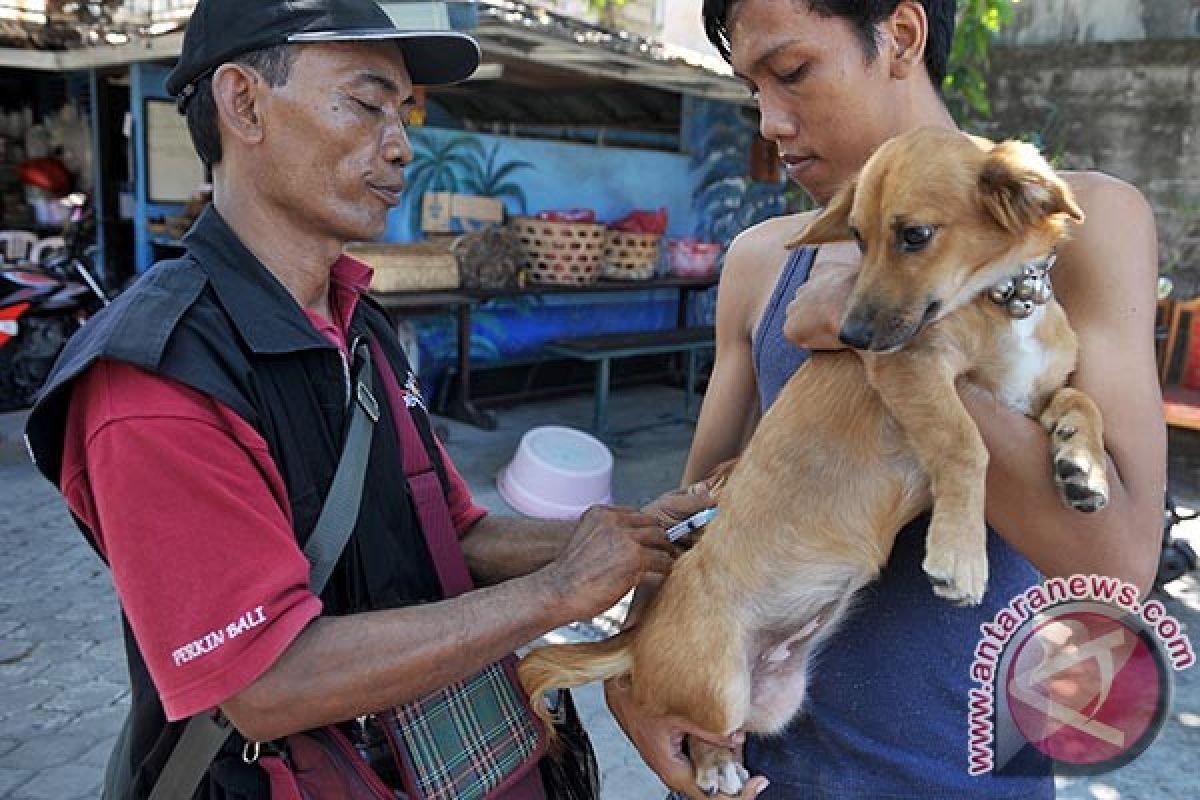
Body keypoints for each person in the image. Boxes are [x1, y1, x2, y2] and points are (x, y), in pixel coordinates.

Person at [24, 1, 717, 797]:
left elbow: (450, 530)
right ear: (243, 102)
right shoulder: (156, 378)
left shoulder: (357, 321)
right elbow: (264, 685)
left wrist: (625, 538)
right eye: (364, 103)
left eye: (403, 111)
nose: (400, 144)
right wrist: (555, 594)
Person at [605, 1, 1166, 798]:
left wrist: (877, 326)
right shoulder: (764, 259)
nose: (769, 120)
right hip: (763, 768)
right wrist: (637, 667)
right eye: (752, 89)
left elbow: (1115, 565)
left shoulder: (1075, 223)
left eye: (792, 73)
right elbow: (695, 516)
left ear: (900, 36)